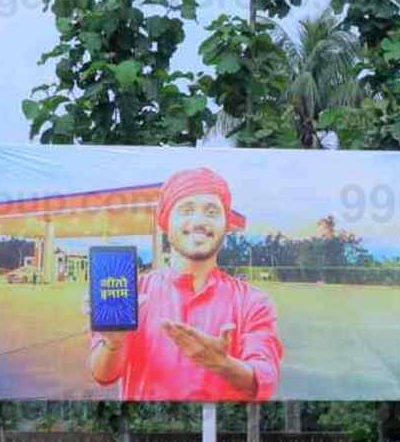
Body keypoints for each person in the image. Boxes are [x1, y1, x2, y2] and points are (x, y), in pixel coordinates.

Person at [88, 167, 283, 402]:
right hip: (144, 433)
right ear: (164, 223)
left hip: (225, 435)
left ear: (226, 224)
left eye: (211, 211)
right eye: (186, 210)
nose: (199, 221)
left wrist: (223, 365)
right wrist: (113, 343)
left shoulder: (252, 302)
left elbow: (264, 378)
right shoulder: (133, 292)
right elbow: (103, 375)